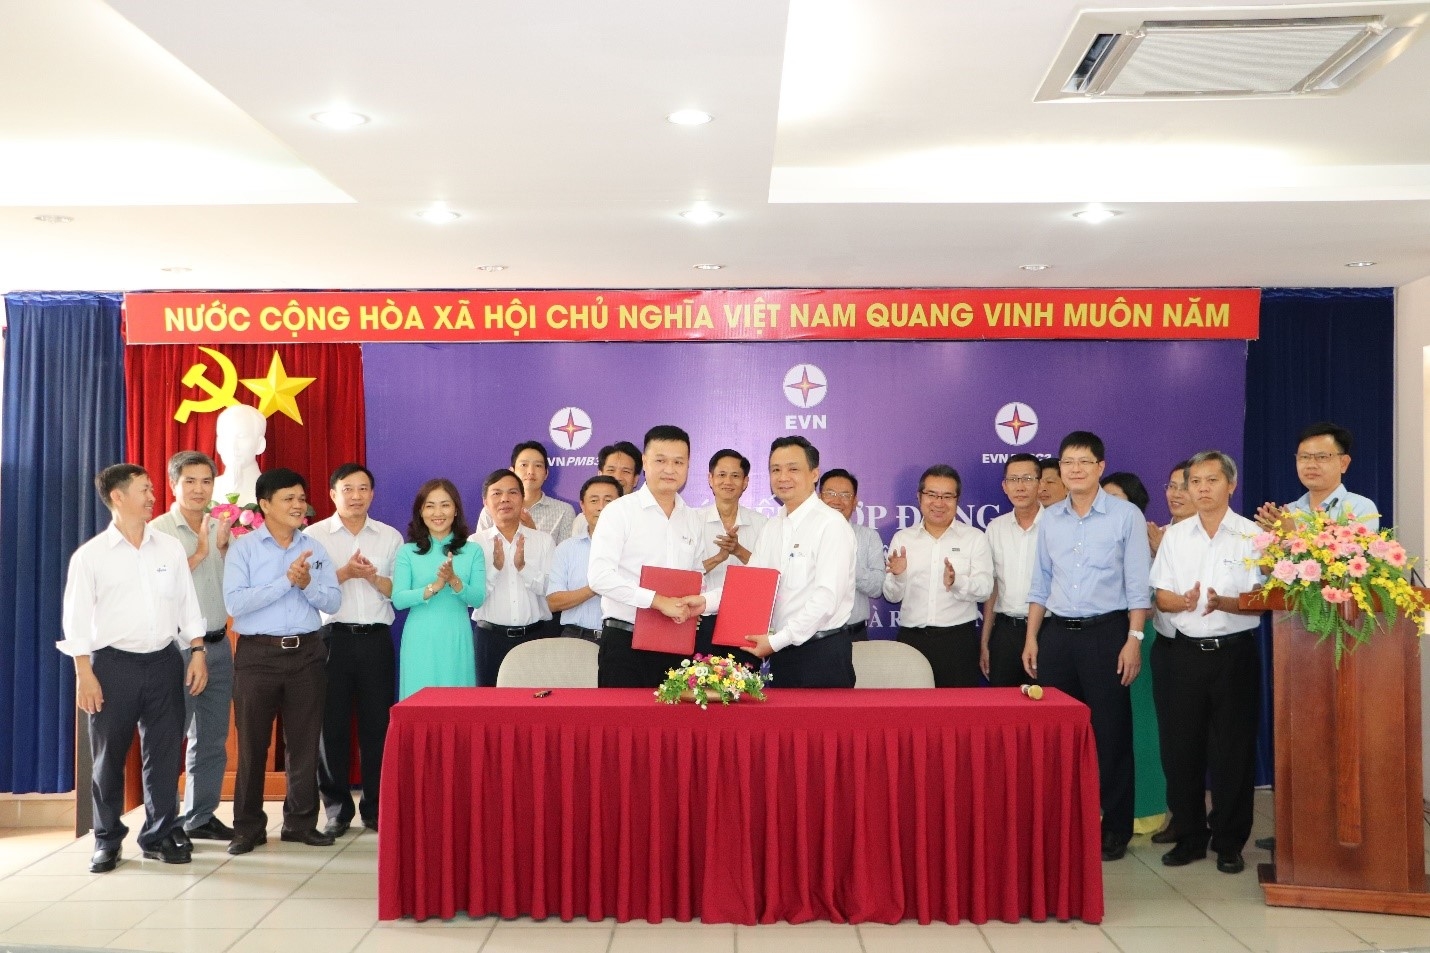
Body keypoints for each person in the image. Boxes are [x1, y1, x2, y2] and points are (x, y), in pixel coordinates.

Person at [61, 464, 208, 873]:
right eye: (144, 489)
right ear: (118, 496)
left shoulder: (169, 549)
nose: (152, 496)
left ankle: (159, 834)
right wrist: (84, 673)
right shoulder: (90, 556)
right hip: (112, 666)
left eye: (152, 489)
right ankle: (106, 839)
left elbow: (186, 603)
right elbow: (76, 619)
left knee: (164, 754)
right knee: (108, 759)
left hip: (164, 661)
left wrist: (197, 650)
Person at [1023, 431, 1152, 861]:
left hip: (1107, 634)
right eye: (1068, 462)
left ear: (1100, 467)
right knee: (1057, 735)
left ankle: (1115, 828)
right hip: (1058, 636)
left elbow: (1137, 585)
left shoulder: (1125, 516)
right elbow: (1041, 582)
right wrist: (1032, 637)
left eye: (1084, 462)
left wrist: (1133, 639)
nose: (1075, 469)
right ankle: (1062, 822)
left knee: (1111, 735)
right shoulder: (1050, 518)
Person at [1150, 450, 1264, 875]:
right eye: (1193, 481)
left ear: (1230, 485)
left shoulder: (1253, 535)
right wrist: (1183, 601)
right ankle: (1190, 837)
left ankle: (1230, 842)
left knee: (1233, 751)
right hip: (1183, 656)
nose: (1200, 489)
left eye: (1210, 480)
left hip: (1234, 655)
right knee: (1181, 750)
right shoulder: (1176, 536)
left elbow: (1264, 600)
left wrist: (1225, 603)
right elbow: (1160, 595)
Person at [223, 468, 341, 855]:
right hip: (258, 655)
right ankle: (247, 828)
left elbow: (333, 601)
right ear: (265, 504)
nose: (298, 505)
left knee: (304, 744)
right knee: (252, 746)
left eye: (301, 497)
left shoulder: (314, 548)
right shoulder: (244, 549)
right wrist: (286, 582)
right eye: (288, 498)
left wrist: (307, 584)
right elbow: (235, 603)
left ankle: (300, 823)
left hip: (307, 653)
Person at [699, 436, 858, 688]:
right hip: (783, 654)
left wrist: (777, 641)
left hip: (822, 654)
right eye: (775, 470)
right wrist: (702, 602)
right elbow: (751, 584)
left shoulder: (831, 525)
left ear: (814, 474)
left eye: (793, 469)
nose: (783, 477)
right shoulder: (773, 526)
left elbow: (827, 599)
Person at [306, 463, 402, 837]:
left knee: (377, 726)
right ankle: (336, 810)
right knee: (330, 726)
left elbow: (399, 589)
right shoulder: (314, 536)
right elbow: (309, 590)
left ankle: (375, 807)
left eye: (363, 488)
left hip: (376, 639)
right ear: (333, 494)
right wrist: (345, 573)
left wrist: (373, 577)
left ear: (372, 494)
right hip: (332, 639)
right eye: (348, 488)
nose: (356, 496)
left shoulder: (390, 537)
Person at [149, 451, 234, 844]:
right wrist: (199, 554)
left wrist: (224, 549)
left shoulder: (220, 527)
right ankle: (164, 825)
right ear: (172, 484)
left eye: (206, 481)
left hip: (218, 644)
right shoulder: (158, 532)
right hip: (178, 650)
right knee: (170, 739)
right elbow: (158, 590)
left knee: (212, 739)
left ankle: (200, 816)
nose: (199, 489)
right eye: (190, 481)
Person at [589, 425, 711, 687]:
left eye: (678, 462)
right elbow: (599, 577)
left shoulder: (692, 519)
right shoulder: (619, 512)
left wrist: (695, 601)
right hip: (625, 644)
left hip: (678, 643)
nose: (670, 469)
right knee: (622, 715)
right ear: (644, 462)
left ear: (688, 465)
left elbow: (698, 575)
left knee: (675, 716)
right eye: (660, 460)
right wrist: (657, 601)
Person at [1101, 471, 1172, 843]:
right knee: (1106, 729)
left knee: (1142, 726)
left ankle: (1144, 810)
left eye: (1115, 499)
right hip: (1102, 638)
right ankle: (1105, 809)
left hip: (1139, 638)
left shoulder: (1148, 539)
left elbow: (1153, 596)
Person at [883, 465, 994, 687]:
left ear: (957, 499)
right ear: (919, 497)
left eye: (947, 496)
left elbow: (985, 589)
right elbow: (892, 596)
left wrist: (957, 582)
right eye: (932, 494)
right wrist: (899, 576)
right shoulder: (903, 539)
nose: (939, 503)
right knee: (910, 706)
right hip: (912, 640)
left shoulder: (974, 538)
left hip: (958, 643)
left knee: (957, 707)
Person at [392, 479, 486, 698]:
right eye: (430, 506)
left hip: (456, 636)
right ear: (421, 512)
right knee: (419, 702)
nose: (438, 513)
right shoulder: (408, 552)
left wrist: (454, 580)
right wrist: (434, 587)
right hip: (419, 638)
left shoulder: (473, 550)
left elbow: (478, 598)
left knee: (457, 702)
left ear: (456, 510)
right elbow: (399, 599)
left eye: (445, 505)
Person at [470, 469, 555, 686]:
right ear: (485, 502)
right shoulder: (474, 544)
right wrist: (495, 569)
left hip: (535, 638)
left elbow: (551, 592)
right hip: (490, 640)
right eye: (497, 493)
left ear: (522, 499)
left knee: (535, 702)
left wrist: (523, 568)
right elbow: (471, 599)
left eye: (512, 492)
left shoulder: (543, 541)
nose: (505, 499)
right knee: (490, 703)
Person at [1148, 459, 1194, 845]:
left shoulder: (1216, 536)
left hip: (1208, 648)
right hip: (1166, 646)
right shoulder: (1159, 534)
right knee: (1173, 738)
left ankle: (1216, 826)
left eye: (1185, 486)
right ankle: (1181, 817)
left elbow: (1197, 593)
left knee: (1207, 740)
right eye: (1171, 486)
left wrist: (1162, 551)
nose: (1176, 494)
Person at [695, 449, 768, 661]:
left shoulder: (762, 524)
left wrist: (738, 551)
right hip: (702, 618)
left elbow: (768, 574)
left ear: (745, 482)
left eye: (735, 476)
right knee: (699, 679)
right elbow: (684, 571)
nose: (728, 481)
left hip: (745, 621)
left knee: (745, 680)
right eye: (722, 475)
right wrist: (719, 558)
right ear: (710, 479)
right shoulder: (692, 520)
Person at [981, 453, 1042, 687]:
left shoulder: (1056, 525)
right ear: (1004, 486)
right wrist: (985, 642)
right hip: (1005, 632)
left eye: (1027, 479)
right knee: (1003, 703)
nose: (1020, 486)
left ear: (1039, 483)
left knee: (1046, 702)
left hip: (1047, 631)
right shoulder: (996, 528)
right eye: (1013, 480)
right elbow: (993, 587)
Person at [1256, 421, 1379, 532]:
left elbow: (1353, 551)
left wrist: (1291, 534)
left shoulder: (1360, 507)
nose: (1311, 465)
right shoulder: (1289, 512)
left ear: (1343, 463)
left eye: (1322, 457)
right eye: (1304, 457)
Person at [546, 475, 623, 642]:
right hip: (576, 637)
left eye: (608, 501)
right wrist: (595, 587)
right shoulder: (566, 549)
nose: (601, 507)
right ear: (582, 505)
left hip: (620, 639)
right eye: (594, 501)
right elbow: (553, 602)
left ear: (621, 505)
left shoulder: (633, 548)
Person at [818, 468, 886, 639]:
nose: (837, 500)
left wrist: (847, 565)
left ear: (855, 501)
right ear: (819, 498)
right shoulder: (803, 535)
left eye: (845, 495)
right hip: (811, 636)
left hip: (854, 634)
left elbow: (878, 587)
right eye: (830, 493)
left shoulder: (868, 537)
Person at [477, 440, 576, 543]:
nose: (530, 472)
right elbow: (480, 549)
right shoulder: (492, 509)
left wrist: (534, 535)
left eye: (538, 465)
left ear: (546, 474)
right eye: (524, 465)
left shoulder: (564, 511)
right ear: (512, 471)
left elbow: (565, 553)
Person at [212, 404, 267, 506]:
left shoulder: (274, 492)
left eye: (242, 436)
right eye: (226, 437)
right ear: (219, 443)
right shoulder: (206, 490)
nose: (233, 446)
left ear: (260, 444)